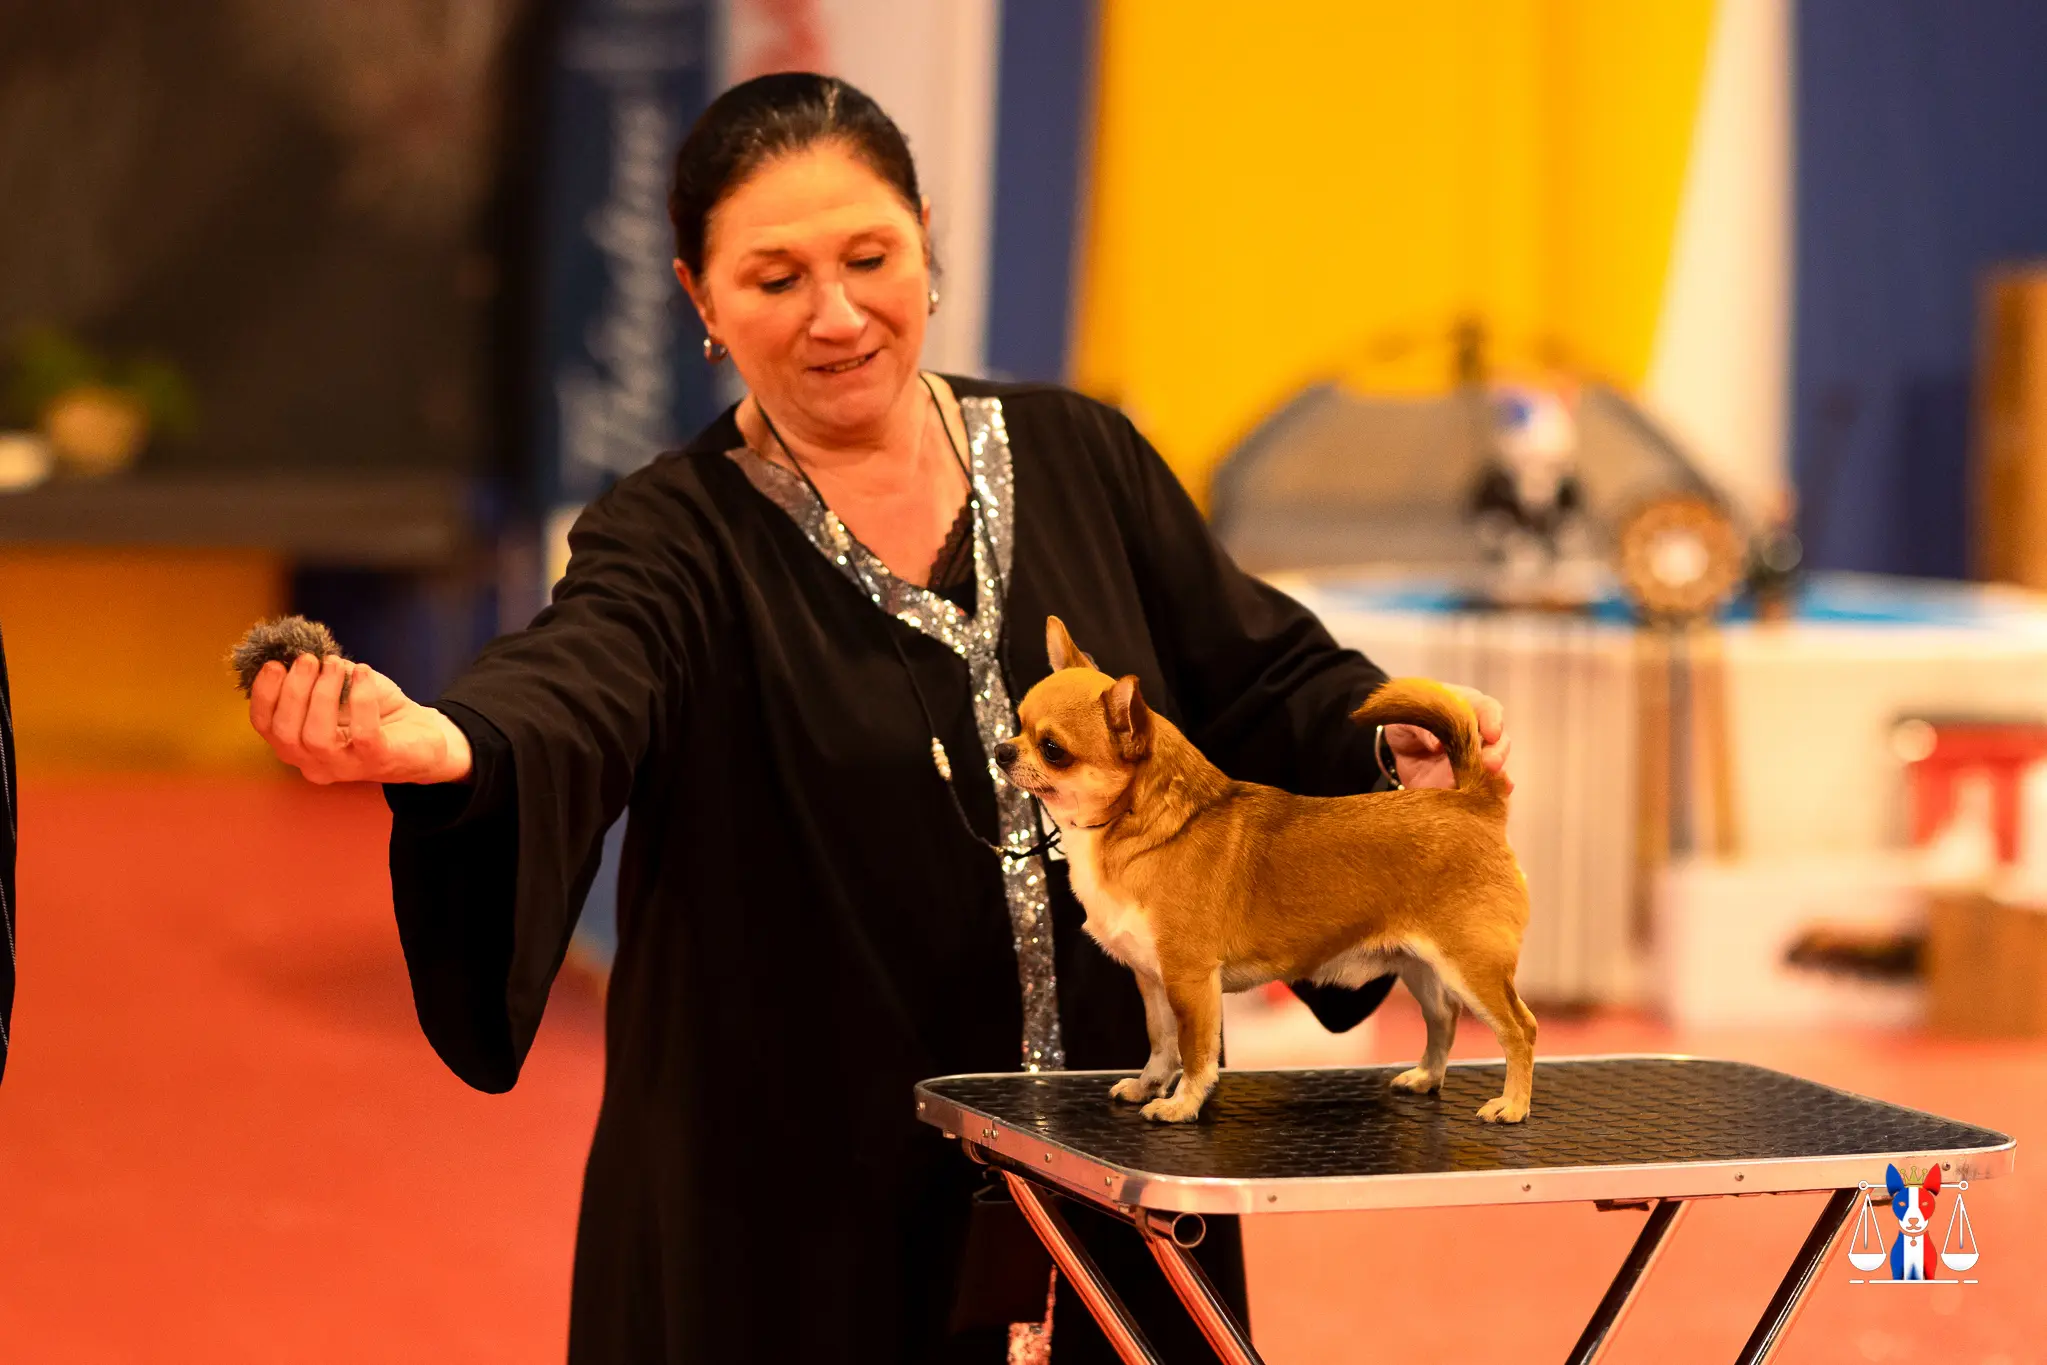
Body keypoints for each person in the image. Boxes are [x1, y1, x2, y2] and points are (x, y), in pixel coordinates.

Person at [248, 73, 1514, 1365]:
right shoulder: (674, 534)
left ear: (925, 242)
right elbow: (580, 673)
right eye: (775, 278)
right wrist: (454, 745)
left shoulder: (1085, 459)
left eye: (869, 258)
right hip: (799, 1212)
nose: (838, 316)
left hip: (1117, 1157)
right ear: (699, 299)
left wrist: (1380, 744)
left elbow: (1254, 674)